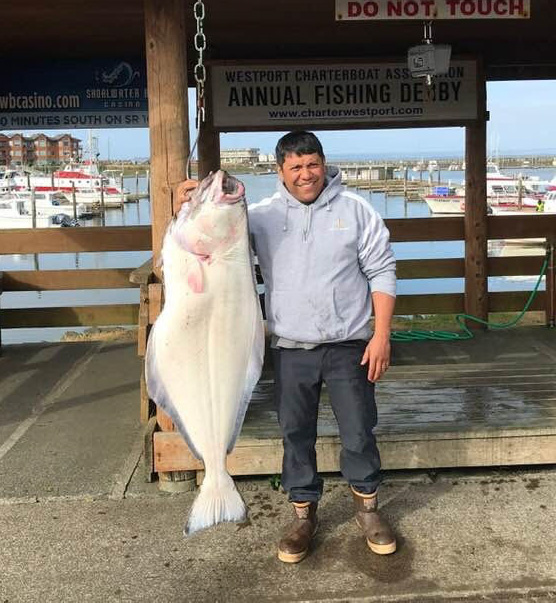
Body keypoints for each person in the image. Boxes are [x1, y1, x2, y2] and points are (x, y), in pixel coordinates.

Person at [177, 131, 397, 563]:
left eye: (312, 164)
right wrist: (183, 206)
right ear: (280, 171)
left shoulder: (357, 211)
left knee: (357, 431)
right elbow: (206, 240)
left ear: (324, 163)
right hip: (291, 348)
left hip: (348, 345)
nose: (305, 174)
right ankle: (302, 515)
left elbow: (382, 271)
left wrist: (382, 334)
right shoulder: (258, 216)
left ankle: (368, 511)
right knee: (295, 435)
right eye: (295, 167)